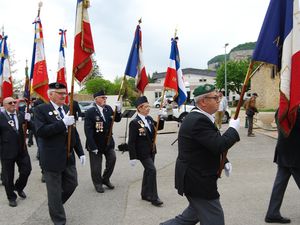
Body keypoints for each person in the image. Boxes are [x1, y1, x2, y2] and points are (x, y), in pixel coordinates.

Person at [160, 84, 240, 225]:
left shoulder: (203, 117)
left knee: (188, 218)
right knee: (215, 220)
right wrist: (233, 129)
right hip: (198, 180)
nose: (218, 100)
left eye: (218, 97)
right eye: (215, 97)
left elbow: (208, 143)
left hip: (198, 177)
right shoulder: (198, 120)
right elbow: (218, 144)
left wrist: (224, 160)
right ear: (203, 101)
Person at [34, 82, 86, 225]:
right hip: (51, 158)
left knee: (72, 184)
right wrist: (62, 123)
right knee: (55, 191)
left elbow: (73, 133)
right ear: (50, 94)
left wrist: (80, 152)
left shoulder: (66, 109)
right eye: (60, 93)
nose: (64, 96)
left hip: (68, 156)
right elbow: (41, 131)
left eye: (65, 93)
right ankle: (59, 220)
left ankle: (54, 205)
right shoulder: (41, 110)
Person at [264, 107, 300, 224]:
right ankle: (272, 213)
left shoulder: (281, 108)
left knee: (279, 184)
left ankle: (272, 213)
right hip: (294, 154)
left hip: (283, 151)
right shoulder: (295, 110)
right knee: (280, 183)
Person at [128, 96, 165, 207]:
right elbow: (131, 141)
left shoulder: (148, 119)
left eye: (149, 106)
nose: (148, 108)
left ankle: (144, 194)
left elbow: (159, 127)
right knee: (152, 170)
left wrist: (161, 118)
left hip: (151, 151)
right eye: (146, 106)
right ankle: (154, 197)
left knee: (148, 171)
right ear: (139, 108)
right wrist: (132, 157)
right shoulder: (134, 123)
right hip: (142, 153)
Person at [84, 90, 122, 193]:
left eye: (105, 98)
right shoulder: (90, 112)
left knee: (112, 159)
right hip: (95, 143)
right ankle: (97, 183)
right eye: (102, 98)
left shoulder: (108, 109)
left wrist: (118, 110)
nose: (105, 99)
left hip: (108, 142)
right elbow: (88, 131)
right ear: (96, 99)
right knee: (96, 167)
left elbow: (117, 119)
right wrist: (92, 146)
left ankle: (105, 179)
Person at [0, 97, 32, 207]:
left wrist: (29, 119)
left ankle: (18, 187)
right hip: (7, 151)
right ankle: (11, 197)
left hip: (22, 149)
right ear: (4, 105)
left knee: (26, 170)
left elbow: (30, 126)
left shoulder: (20, 114)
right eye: (10, 103)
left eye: (14, 102)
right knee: (8, 177)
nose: (13, 104)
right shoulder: (1, 117)